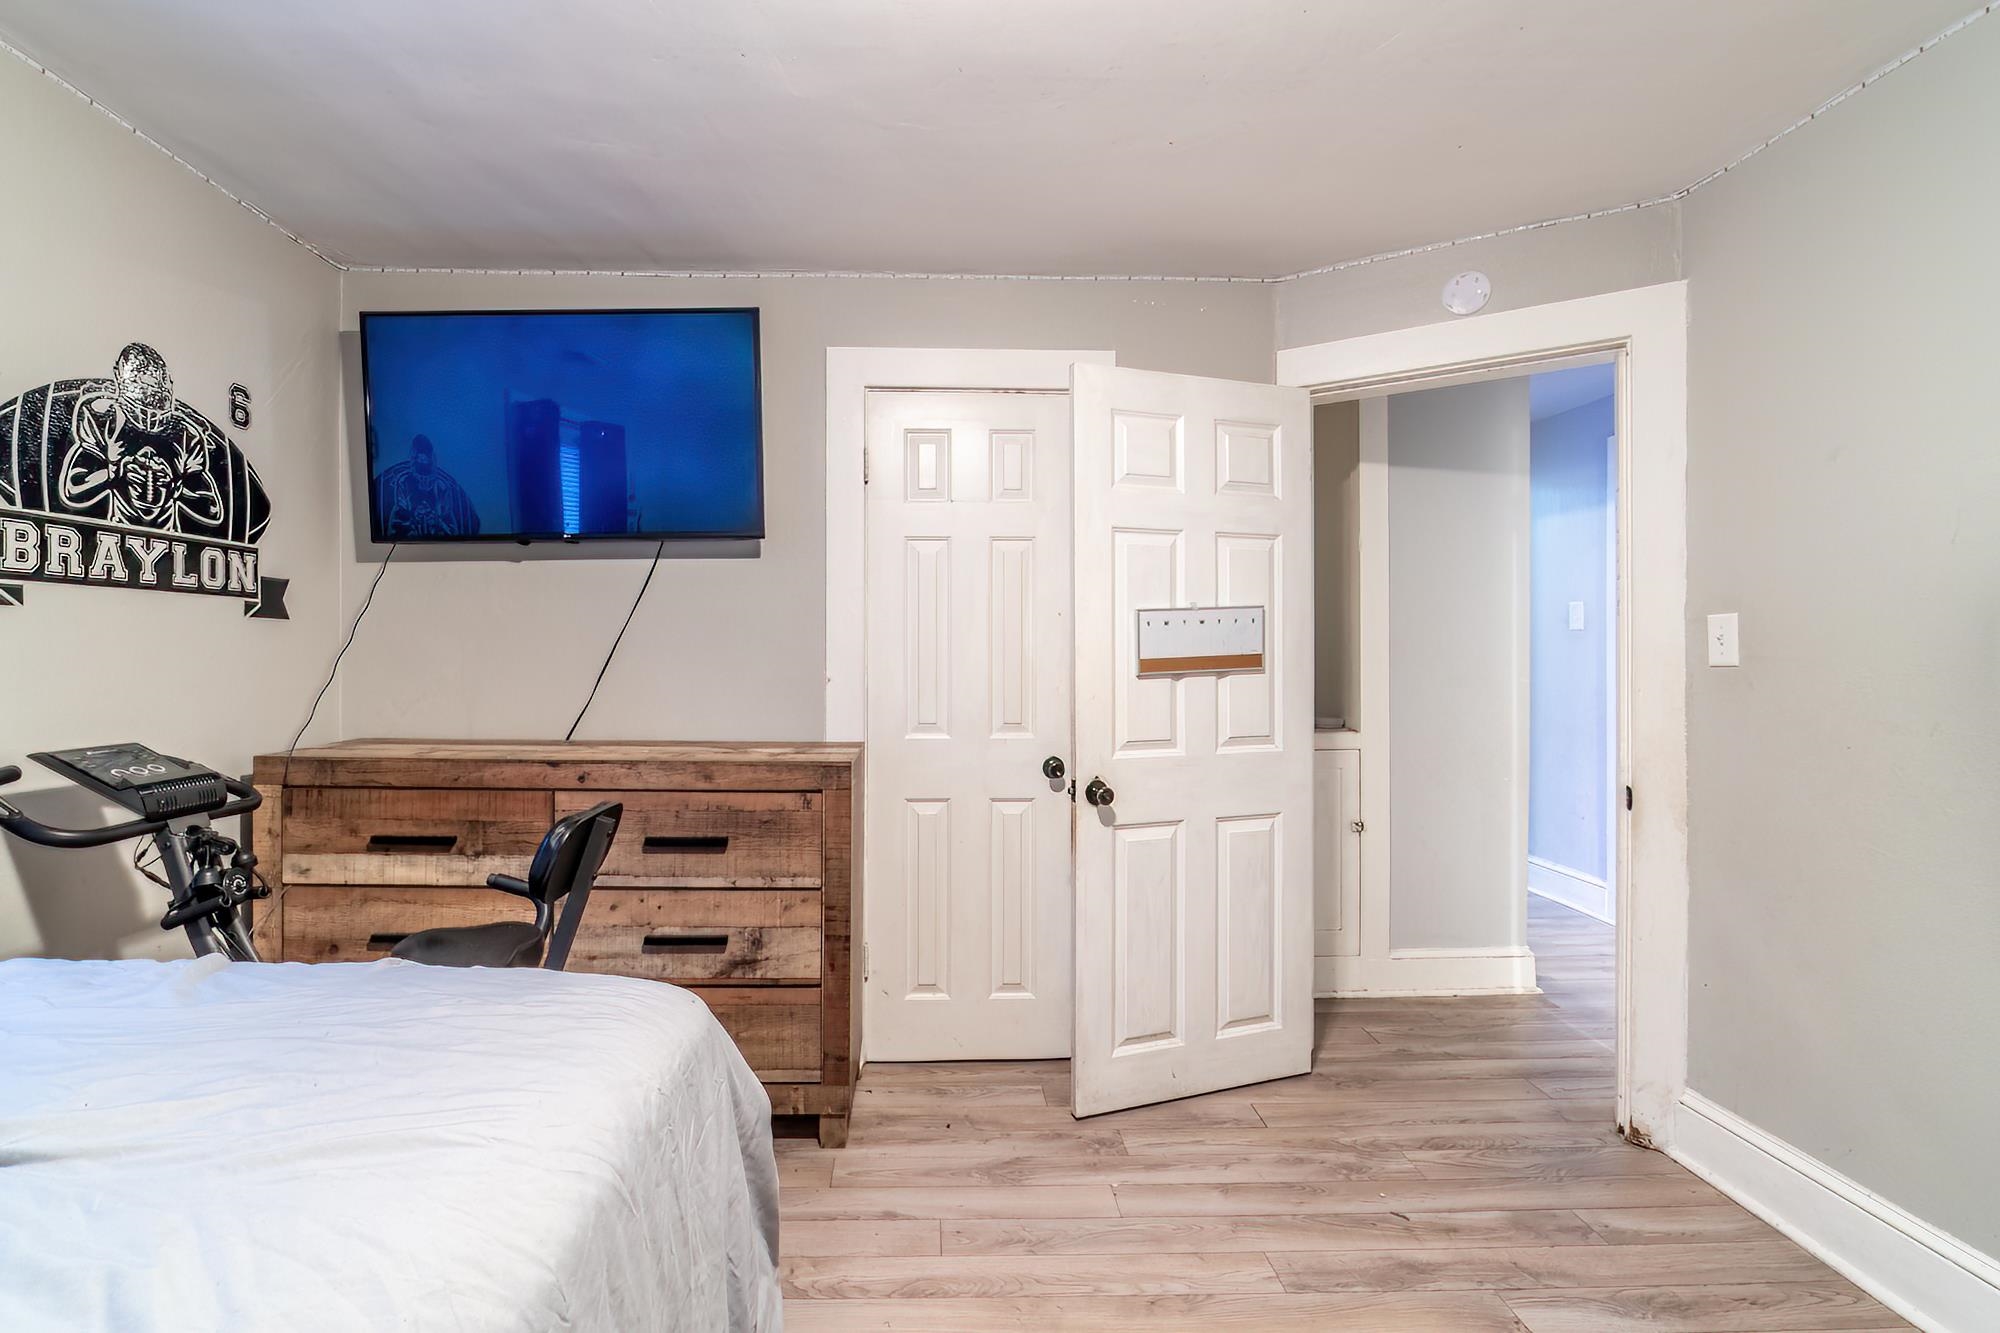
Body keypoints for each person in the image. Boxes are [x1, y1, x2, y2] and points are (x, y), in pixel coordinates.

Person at [59, 343, 223, 532]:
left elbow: (211, 509)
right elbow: (74, 487)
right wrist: (115, 472)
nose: (152, 407)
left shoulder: (186, 434)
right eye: (145, 394)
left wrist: (175, 485)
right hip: (115, 532)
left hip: (170, 536)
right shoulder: (105, 418)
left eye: (157, 398)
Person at [376, 433, 480, 538]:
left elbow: (450, 525)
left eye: (426, 463)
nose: (423, 462)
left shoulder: (442, 487)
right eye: (420, 463)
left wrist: (437, 522)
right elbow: (398, 524)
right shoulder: (403, 483)